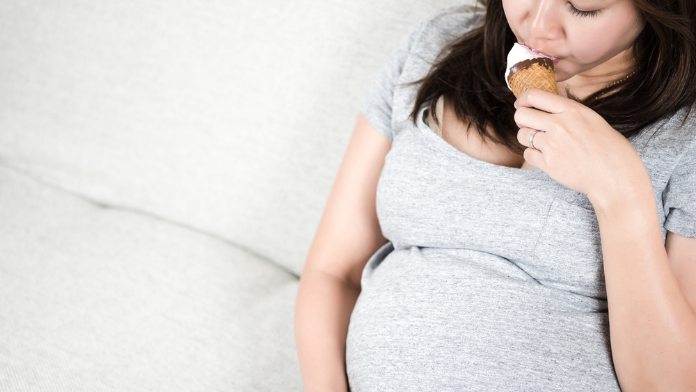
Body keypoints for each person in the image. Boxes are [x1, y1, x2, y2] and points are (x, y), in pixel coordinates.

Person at [295, 0, 696, 390]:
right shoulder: (433, 46)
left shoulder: (686, 134)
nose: (537, 25)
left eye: (583, 7)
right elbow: (334, 270)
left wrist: (622, 194)